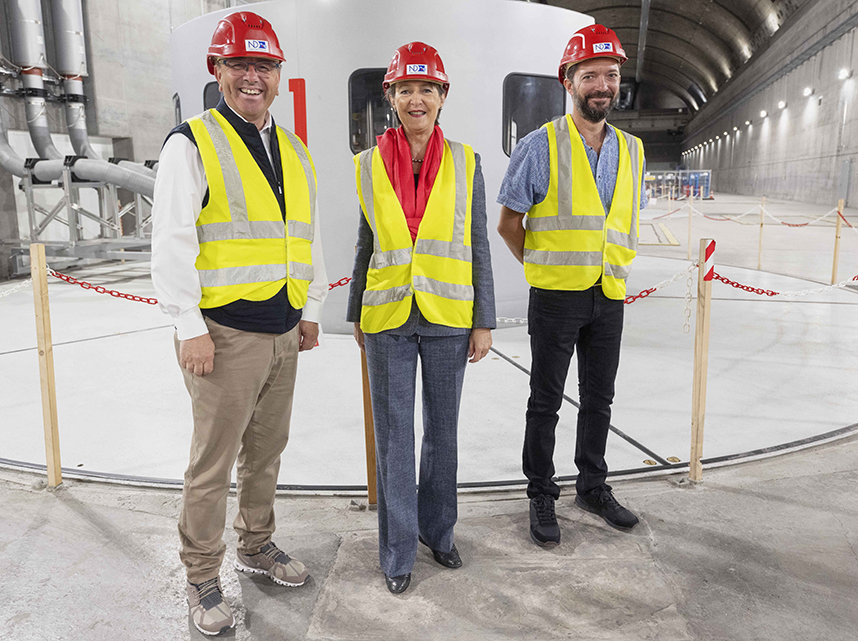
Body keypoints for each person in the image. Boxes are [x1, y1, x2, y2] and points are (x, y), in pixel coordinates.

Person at [150, 11, 326, 636]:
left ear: (278, 75)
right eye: (239, 64)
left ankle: (256, 544)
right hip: (223, 335)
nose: (253, 77)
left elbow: (305, 238)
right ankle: (202, 574)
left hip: (282, 331)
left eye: (264, 66)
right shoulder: (192, 142)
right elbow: (170, 242)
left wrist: (309, 311)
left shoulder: (295, 152)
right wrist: (187, 324)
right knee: (212, 463)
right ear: (217, 71)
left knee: (266, 451)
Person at [346, 42, 495, 594]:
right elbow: (365, 243)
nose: (416, 99)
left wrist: (484, 320)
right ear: (390, 96)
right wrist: (354, 310)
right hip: (385, 314)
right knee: (395, 439)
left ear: (442, 97)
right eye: (405, 88)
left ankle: (440, 533)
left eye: (426, 88)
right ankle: (397, 552)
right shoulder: (366, 165)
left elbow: (478, 242)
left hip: (448, 316)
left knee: (443, 435)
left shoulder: (467, 160)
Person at [497, 24, 647, 547]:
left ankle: (592, 485)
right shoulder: (540, 145)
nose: (602, 84)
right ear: (568, 81)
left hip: (609, 294)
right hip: (557, 296)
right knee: (546, 400)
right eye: (590, 75)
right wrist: (541, 265)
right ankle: (541, 492)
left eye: (610, 74)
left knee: (599, 399)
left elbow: (621, 221)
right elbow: (509, 223)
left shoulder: (632, 149)